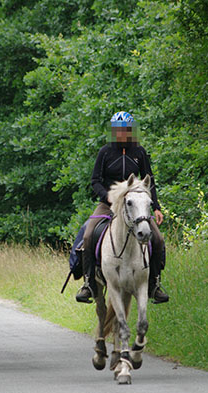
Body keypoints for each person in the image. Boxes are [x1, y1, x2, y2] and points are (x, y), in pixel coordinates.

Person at [75, 111, 169, 304]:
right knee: (87, 235)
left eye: (125, 130)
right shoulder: (105, 152)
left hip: (136, 205)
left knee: (158, 239)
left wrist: (157, 207)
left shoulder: (139, 152)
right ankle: (88, 283)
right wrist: (107, 196)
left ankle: (154, 283)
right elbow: (95, 181)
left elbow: (149, 181)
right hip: (109, 203)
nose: (121, 134)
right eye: (117, 130)